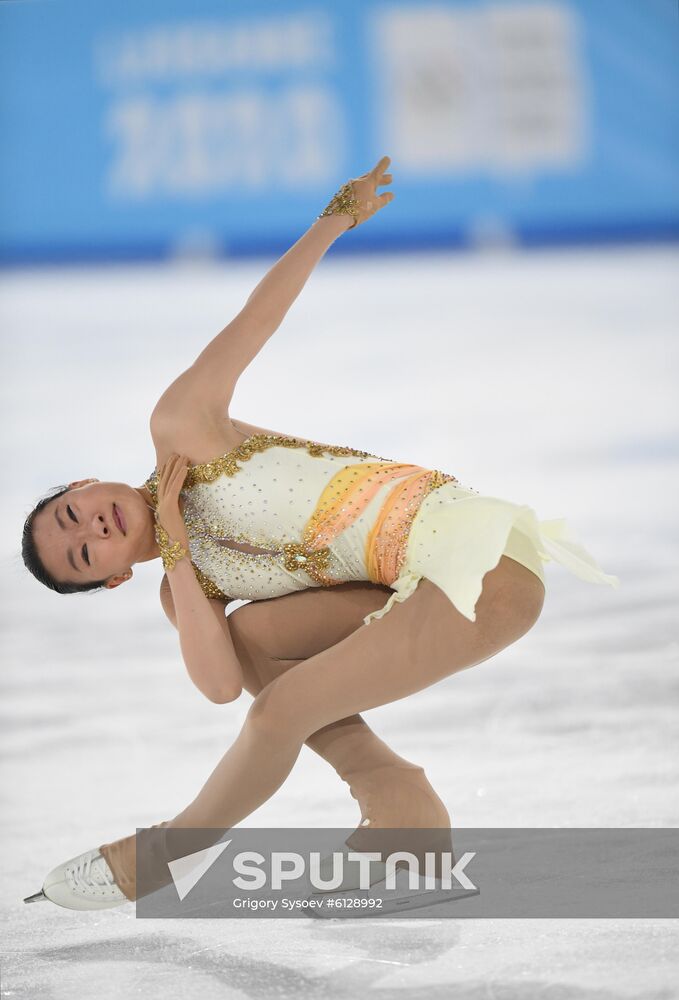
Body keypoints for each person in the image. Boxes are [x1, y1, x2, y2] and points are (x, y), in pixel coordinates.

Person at [21, 156, 619, 909]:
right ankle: (399, 804)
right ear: (112, 578)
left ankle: (173, 850)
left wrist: (331, 220)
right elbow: (217, 685)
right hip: (421, 590)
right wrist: (173, 540)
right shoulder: (186, 592)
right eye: (84, 553)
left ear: (84, 482)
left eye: (75, 511)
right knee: (254, 647)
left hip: (477, 558)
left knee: (281, 711)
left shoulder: (181, 429)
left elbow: (255, 320)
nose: (94, 526)